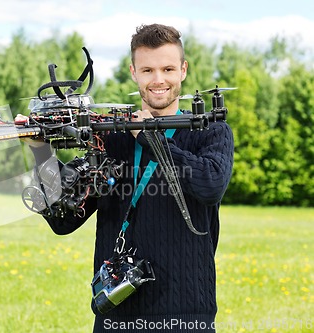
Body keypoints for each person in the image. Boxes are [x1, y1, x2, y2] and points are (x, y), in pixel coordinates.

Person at [27, 23, 234, 332]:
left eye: (167, 68)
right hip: (117, 309)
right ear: (134, 72)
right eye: (148, 70)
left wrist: (148, 138)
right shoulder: (112, 138)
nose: (158, 80)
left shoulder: (210, 131)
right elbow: (64, 220)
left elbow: (210, 185)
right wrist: (40, 149)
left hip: (186, 311)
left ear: (183, 70)